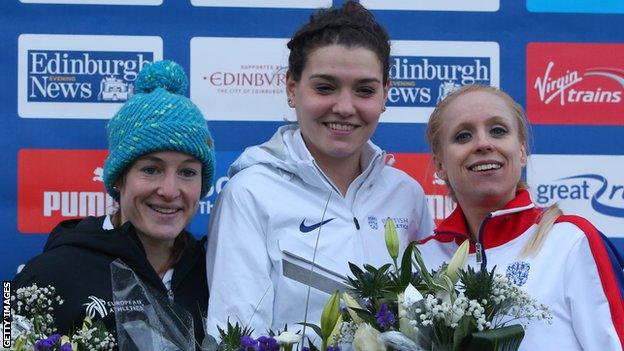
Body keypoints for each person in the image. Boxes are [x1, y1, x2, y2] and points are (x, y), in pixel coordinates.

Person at [205, 0, 434, 338]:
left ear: (386, 93)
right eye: (325, 87)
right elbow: (236, 335)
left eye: (364, 90)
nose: (344, 107)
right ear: (292, 88)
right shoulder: (251, 192)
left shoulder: (406, 193)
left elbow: (426, 322)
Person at [13, 60, 215, 348]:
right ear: (118, 179)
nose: (170, 191)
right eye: (151, 169)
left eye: (187, 172)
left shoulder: (215, 273)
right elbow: (5, 334)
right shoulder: (44, 273)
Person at [418, 84, 624, 350]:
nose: (483, 143)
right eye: (463, 136)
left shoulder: (571, 243)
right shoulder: (421, 261)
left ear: (522, 151)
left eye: (498, 131)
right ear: (440, 165)